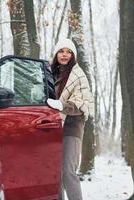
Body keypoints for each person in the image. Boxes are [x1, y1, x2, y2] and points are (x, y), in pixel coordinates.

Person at [46, 38, 94, 200]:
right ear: (56, 54)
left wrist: (62, 106)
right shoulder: (50, 73)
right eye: (61, 51)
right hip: (53, 126)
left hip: (72, 128)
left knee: (68, 171)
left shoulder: (78, 75)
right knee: (55, 172)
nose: (65, 55)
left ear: (73, 55)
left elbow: (82, 103)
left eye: (68, 52)